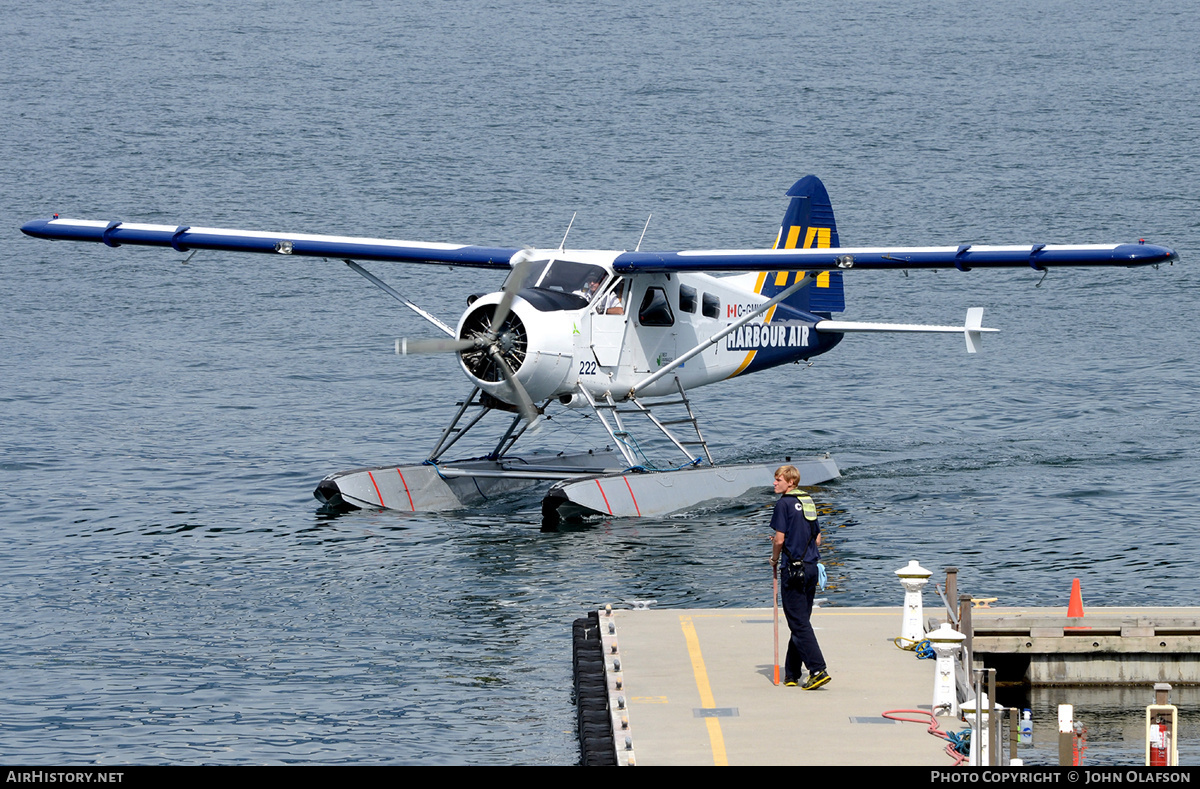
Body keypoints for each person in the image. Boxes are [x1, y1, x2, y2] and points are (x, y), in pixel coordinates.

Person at [769, 465, 831, 690]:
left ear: (790, 482)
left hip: (793, 570)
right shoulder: (808, 501)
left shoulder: (783, 504)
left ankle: (817, 669)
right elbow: (817, 539)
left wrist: (774, 559)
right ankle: (792, 672)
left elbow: (779, 539)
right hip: (811, 567)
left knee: (798, 622)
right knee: (801, 620)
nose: (775, 483)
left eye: (778, 480)